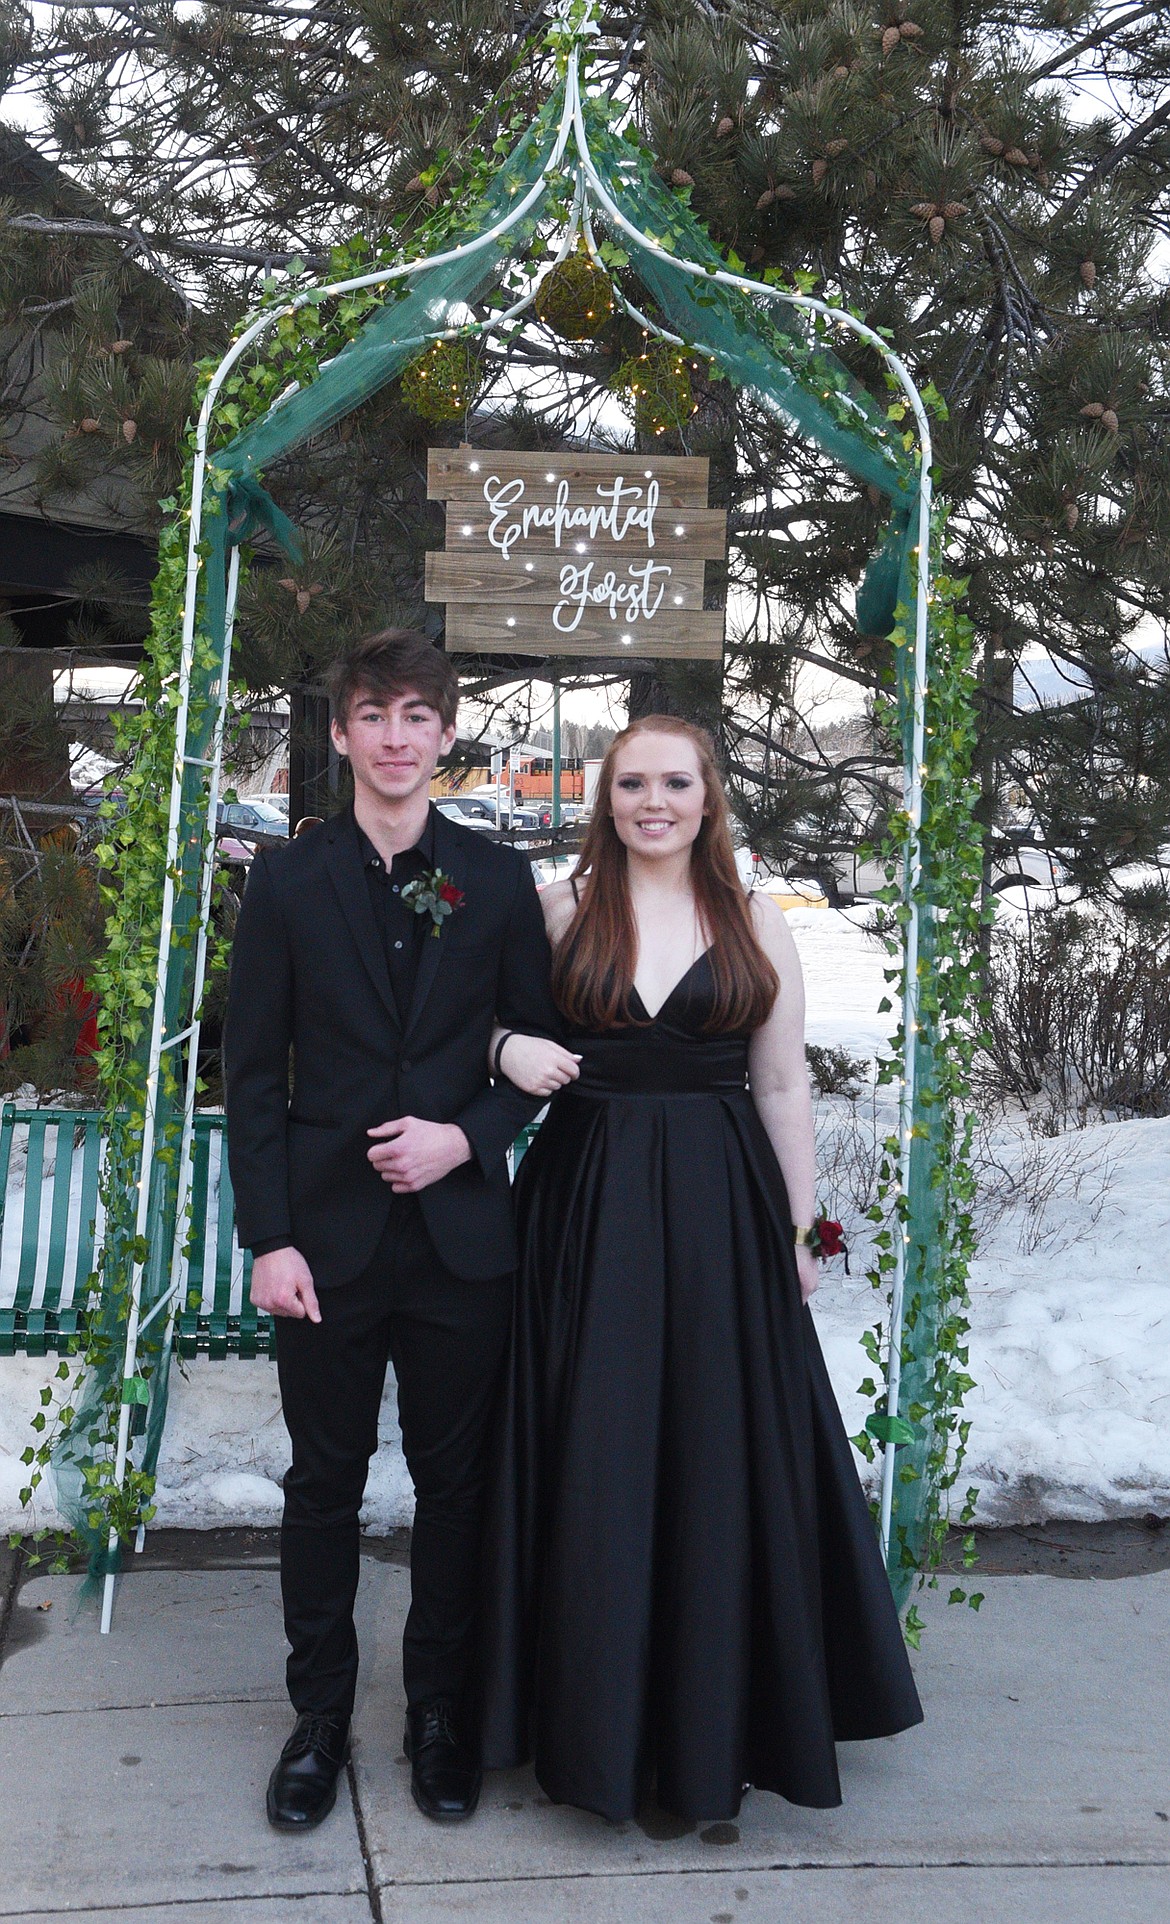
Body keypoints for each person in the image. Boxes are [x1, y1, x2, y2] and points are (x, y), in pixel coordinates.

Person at [479, 714, 923, 1823]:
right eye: (633, 783)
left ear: (710, 796)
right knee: (597, 1452)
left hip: (726, 1215)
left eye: (676, 781)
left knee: (715, 1457)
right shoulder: (560, 909)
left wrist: (804, 1231)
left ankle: (706, 1728)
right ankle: (590, 1727)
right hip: (584, 1206)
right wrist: (499, 1049)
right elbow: (480, 1030)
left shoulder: (757, 920)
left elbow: (782, 1088)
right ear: (607, 797)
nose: (654, 802)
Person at [223, 630, 559, 1831]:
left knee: (456, 1488)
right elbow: (252, 1075)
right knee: (323, 1486)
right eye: (374, 714)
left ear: (448, 733)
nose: (397, 735)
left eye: (419, 714)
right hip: (325, 1244)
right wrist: (270, 1236)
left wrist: (466, 1137)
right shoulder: (288, 882)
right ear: (340, 733)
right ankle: (317, 1720)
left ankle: (438, 1715)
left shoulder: (499, 879)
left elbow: (531, 1051)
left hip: (464, 1240)